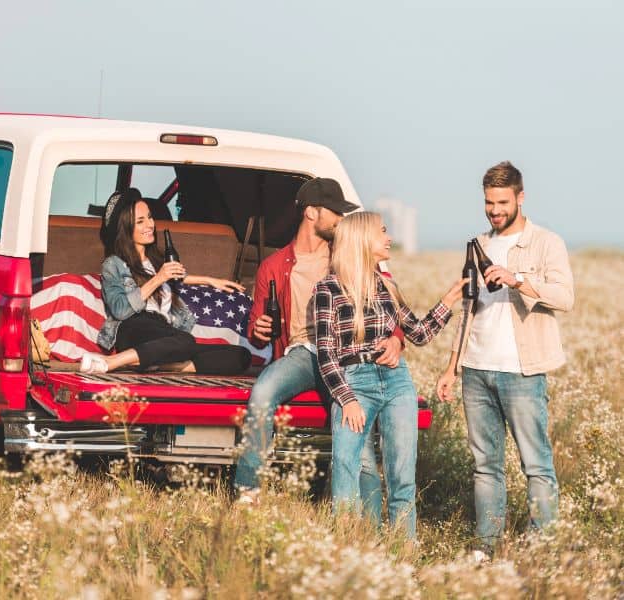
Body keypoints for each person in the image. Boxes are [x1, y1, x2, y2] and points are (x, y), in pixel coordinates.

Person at [233, 177, 403, 519]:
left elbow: (385, 302)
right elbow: (255, 329)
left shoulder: (346, 257)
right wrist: (260, 330)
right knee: (262, 394)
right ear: (312, 213)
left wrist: (396, 338)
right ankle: (248, 495)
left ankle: (369, 524)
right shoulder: (273, 266)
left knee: (359, 434)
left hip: (346, 357)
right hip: (303, 353)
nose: (341, 219)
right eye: (335, 212)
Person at [436, 161, 574, 557]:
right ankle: (486, 547)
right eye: (488, 203)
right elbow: (468, 312)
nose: (494, 210)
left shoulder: (547, 243)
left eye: (501, 202)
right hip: (476, 371)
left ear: (520, 198)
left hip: (522, 373)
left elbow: (566, 298)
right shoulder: (477, 244)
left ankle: (542, 549)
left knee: (537, 466)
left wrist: (517, 280)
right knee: (485, 466)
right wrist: (451, 367)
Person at [316, 211, 467, 539]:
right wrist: (347, 400)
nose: (388, 238)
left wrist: (450, 298)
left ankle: (403, 549)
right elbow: (326, 355)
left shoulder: (386, 285)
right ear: (361, 239)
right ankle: (348, 545)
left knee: (402, 473)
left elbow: (420, 335)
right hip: (354, 382)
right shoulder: (328, 288)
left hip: (397, 382)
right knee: (346, 467)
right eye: (382, 232)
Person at [81, 188, 252, 375]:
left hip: (163, 333)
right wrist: (159, 278)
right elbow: (120, 309)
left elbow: (179, 277)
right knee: (185, 341)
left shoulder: (156, 260)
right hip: (134, 327)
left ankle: (164, 365)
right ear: (126, 229)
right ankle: (111, 361)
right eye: (140, 221)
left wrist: (211, 281)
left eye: (150, 217)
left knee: (240, 356)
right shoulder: (113, 263)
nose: (150, 225)